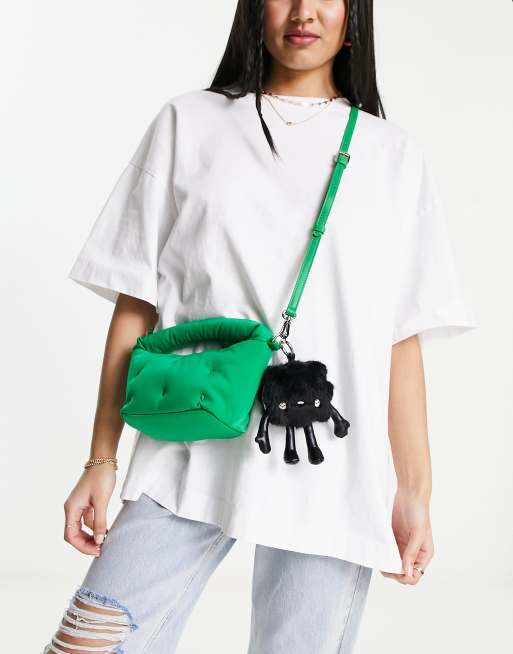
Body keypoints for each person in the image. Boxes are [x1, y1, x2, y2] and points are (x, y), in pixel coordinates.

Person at [43, 1, 477, 653]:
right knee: (91, 643)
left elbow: (399, 339)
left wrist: (416, 490)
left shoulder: (393, 156)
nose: (303, 12)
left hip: (329, 465)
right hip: (190, 442)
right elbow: (135, 303)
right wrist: (101, 458)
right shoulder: (189, 123)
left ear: (353, 17)